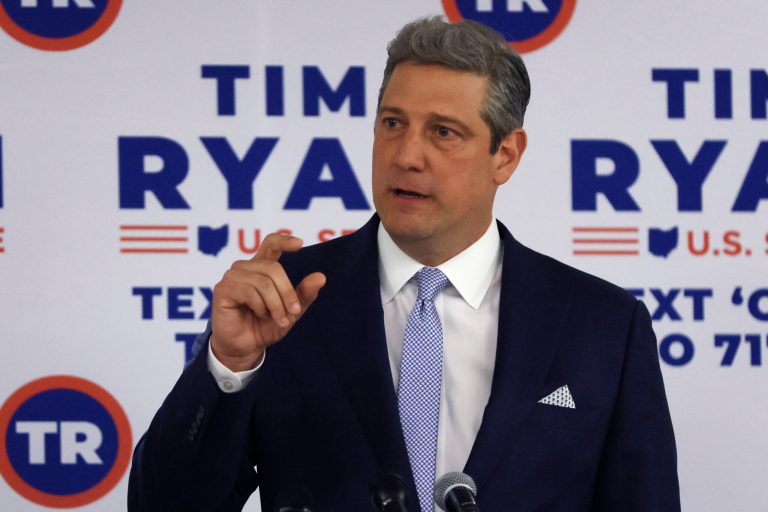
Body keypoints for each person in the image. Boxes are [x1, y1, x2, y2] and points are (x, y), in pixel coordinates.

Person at [128, 16, 680, 512]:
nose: (406, 155)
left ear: (506, 155)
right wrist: (229, 365)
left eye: (443, 132)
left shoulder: (603, 325)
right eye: (393, 123)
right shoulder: (286, 300)